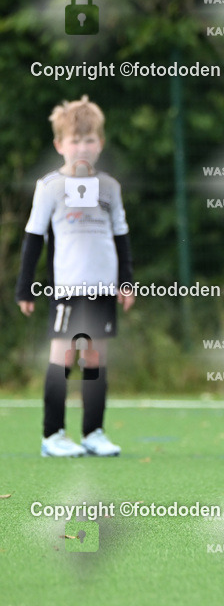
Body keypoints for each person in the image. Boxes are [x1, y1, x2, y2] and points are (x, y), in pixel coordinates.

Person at [15, 96, 134, 458]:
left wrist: (126, 281)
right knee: (64, 357)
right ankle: (53, 435)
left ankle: (94, 432)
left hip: (103, 287)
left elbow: (121, 236)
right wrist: (25, 287)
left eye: (89, 139)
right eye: (74, 140)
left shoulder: (110, 187)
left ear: (100, 143)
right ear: (59, 145)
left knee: (95, 359)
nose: (82, 146)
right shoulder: (50, 186)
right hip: (67, 289)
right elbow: (34, 237)